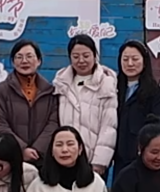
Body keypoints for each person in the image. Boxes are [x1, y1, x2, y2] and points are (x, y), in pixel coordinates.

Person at [51, 34, 119, 176]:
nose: (81, 60)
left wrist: (100, 161)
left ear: (95, 56)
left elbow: (108, 126)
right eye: (76, 56)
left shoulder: (106, 83)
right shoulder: (62, 83)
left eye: (86, 56)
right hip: (65, 158)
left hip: (92, 159)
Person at [0, 39, 60, 164]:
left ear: (39, 61)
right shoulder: (0, 91)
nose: (24, 61)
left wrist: (37, 149)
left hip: (43, 159)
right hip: (10, 159)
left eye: (29, 56)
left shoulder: (50, 92)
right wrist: (22, 149)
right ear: (13, 62)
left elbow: (53, 124)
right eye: (19, 57)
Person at [23, 127, 109, 192]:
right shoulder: (37, 187)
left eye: (70, 144)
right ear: (52, 151)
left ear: (80, 149)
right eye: (59, 145)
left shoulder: (96, 183)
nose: (64, 150)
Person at [114, 39, 160, 173]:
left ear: (144, 62)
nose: (130, 63)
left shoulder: (155, 93)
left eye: (135, 59)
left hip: (143, 159)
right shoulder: (113, 88)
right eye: (125, 59)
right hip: (119, 158)